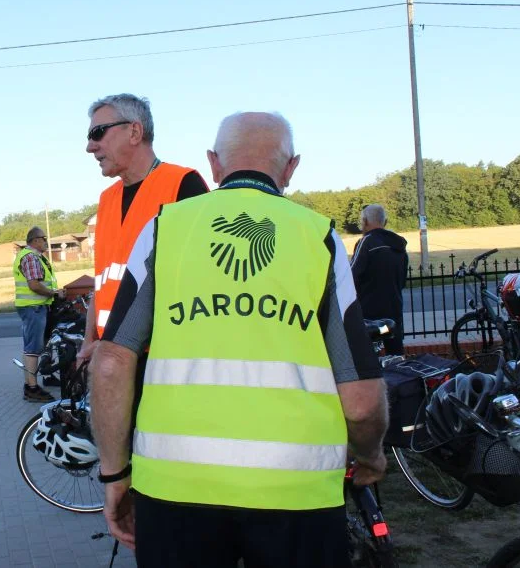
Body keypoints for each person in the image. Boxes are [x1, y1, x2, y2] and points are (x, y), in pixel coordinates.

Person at [90, 112, 388, 566]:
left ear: (213, 164)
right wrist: (370, 455)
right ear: (291, 168)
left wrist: (115, 474)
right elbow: (362, 400)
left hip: (174, 488)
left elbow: (110, 362)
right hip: (296, 490)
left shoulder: (164, 228)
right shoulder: (317, 236)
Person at [78, 93, 208, 365]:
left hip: (161, 357)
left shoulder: (183, 185)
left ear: (134, 131)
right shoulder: (107, 200)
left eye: (98, 133)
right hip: (109, 354)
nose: (90, 146)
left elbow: (201, 282)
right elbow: (102, 281)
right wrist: (89, 341)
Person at [14, 226, 66, 401]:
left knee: (42, 344)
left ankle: (47, 376)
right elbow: (34, 285)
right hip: (33, 307)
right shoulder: (30, 257)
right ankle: (31, 388)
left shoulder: (36, 257)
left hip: (38, 306)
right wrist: (54, 293)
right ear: (35, 240)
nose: (46, 243)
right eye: (44, 239)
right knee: (33, 348)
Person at [351, 204, 409, 355]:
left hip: (370, 316)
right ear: (385, 221)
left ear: (365, 221)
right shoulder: (399, 245)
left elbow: (352, 275)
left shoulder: (367, 242)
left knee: (367, 357)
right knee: (395, 355)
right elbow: (402, 279)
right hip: (392, 313)